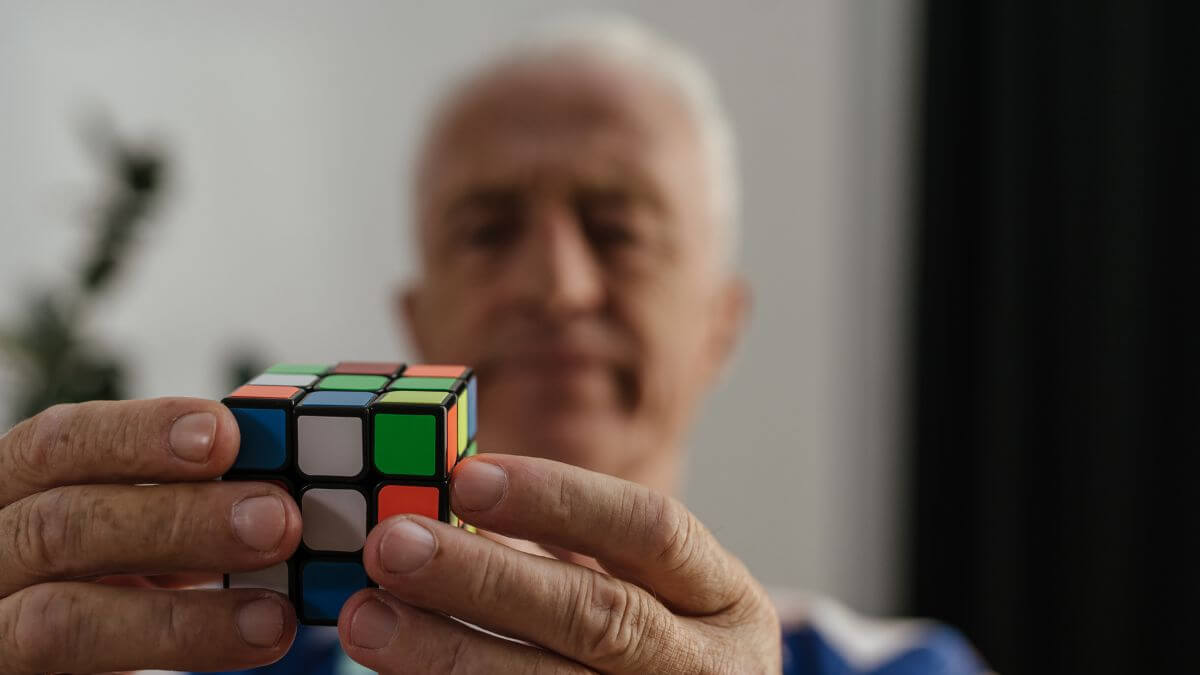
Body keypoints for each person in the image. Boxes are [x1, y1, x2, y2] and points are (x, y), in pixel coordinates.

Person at [0, 17, 984, 675]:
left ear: (720, 325)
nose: (555, 287)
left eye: (617, 227)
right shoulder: (210, 654)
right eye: (488, 229)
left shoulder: (894, 666)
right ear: (418, 328)